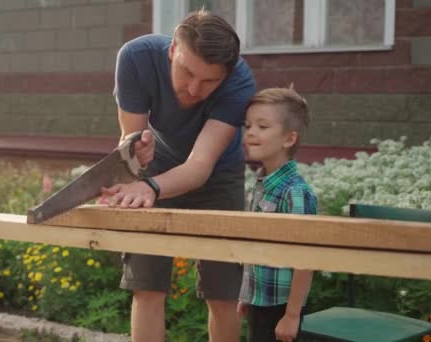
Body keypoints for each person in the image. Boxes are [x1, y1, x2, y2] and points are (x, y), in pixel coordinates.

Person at [100, 8, 256, 342]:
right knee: (146, 287)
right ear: (172, 50)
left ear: (225, 76)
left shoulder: (240, 81)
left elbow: (200, 167)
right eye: (187, 72)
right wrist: (136, 155)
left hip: (217, 177)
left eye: (209, 81)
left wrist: (150, 187)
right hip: (153, 173)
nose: (195, 88)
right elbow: (130, 141)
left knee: (223, 293)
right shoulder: (135, 58)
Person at [236, 87, 318, 342]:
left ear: (288, 139)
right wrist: (246, 294)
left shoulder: (294, 192)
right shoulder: (262, 184)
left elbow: (305, 258)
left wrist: (292, 315)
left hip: (282, 308)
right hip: (260, 301)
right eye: (248, 125)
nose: (251, 132)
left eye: (262, 126)